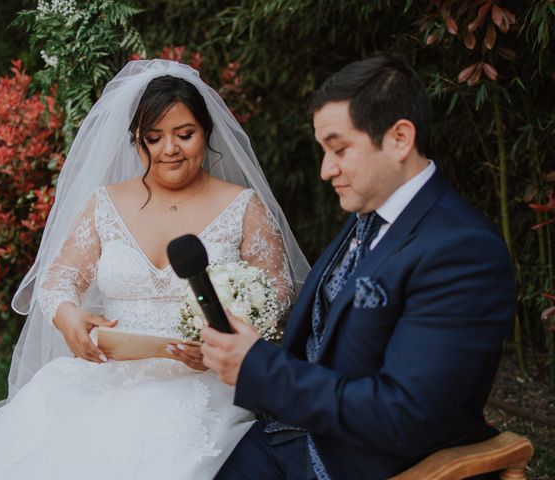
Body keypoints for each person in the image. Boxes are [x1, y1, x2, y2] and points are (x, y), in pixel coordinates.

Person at [0, 59, 310, 479]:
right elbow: (58, 279)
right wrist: (70, 319)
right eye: (153, 138)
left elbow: (276, 296)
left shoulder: (243, 206)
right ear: (136, 141)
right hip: (106, 373)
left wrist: (222, 344)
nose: (169, 150)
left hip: (203, 382)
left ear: (206, 133)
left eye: (184, 135)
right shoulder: (105, 204)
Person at [202, 52, 515, 479]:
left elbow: (401, 416)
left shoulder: (463, 252)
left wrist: (259, 367)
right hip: (292, 431)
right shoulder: (372, 213)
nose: (325, 170)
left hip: (359, 463)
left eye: (339, 149)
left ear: (400, 139)